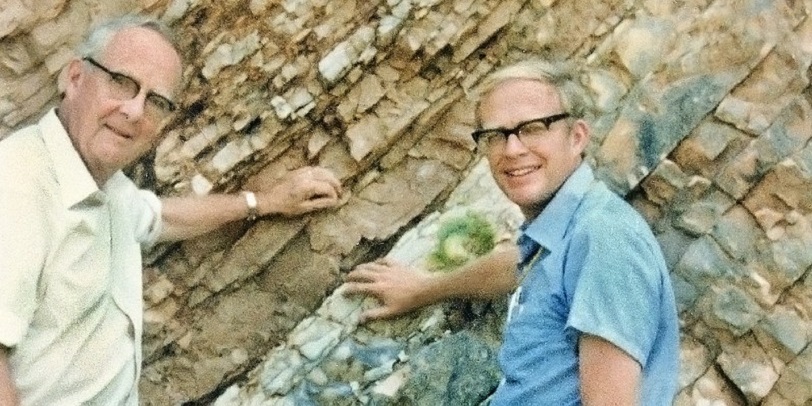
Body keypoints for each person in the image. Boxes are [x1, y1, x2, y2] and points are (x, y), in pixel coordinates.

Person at [0, 15, 343, 405]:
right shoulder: (17, 186)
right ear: (75, 78)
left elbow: (158, 216)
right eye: (121, 82)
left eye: (156, 101)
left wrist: (263, 202)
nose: (134, 110)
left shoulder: (102, 181)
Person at [344, 59, 679, 404]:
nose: (512, 149)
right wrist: (424, 289)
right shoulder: (561, 234)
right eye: (495, 136)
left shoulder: (605, 238)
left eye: (533, 128)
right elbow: (515, 265)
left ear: (577, 137)